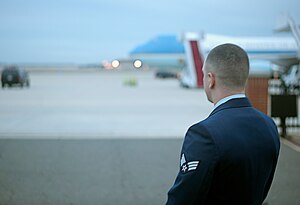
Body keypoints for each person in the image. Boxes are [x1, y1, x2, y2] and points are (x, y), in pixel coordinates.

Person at [166, 43, 280, 205]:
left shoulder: (204, 133)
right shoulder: (269, 125)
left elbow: (183, 198)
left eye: (204, 75)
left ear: (211, 80)